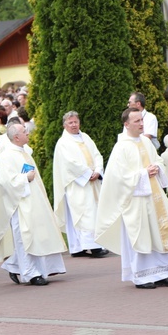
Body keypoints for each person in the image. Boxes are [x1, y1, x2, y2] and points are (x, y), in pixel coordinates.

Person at [96, 108, 168, 289]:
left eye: (141, 120)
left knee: (160, 235)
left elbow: (159, 160)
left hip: (155, 197)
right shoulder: (121, 147)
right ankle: (143, 276)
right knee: (143, 237)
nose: (141, 124)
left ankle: (164, 272)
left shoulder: (147, 143)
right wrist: (143, 174)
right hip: (136, 201)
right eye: (137, 121)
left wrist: (157, 168)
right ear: (126, 124)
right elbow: (118, 177)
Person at [0, 124, 66, 286]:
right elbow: (5, 182)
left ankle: (16, 265)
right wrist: (24, 179)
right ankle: (31, 273)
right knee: (24, 237)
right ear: (16, 137)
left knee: (37, 234)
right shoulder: (7, 156)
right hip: (19, 204)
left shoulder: (24, 152)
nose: (28, 133)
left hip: (34, 200)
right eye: (24, 132)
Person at [53, 111, 108, 259]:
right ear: (65, 125)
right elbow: (69, 164)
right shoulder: (63, 143)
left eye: (75, 122)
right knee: (84, 214)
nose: (73, 125)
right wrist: (87, 173)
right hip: (77, 184)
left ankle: (80, 247)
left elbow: (97, 155)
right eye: (70, 123)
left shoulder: (86, 137)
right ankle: (91, 247)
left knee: (93, 212)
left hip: (92, 181)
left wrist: (97, 170)